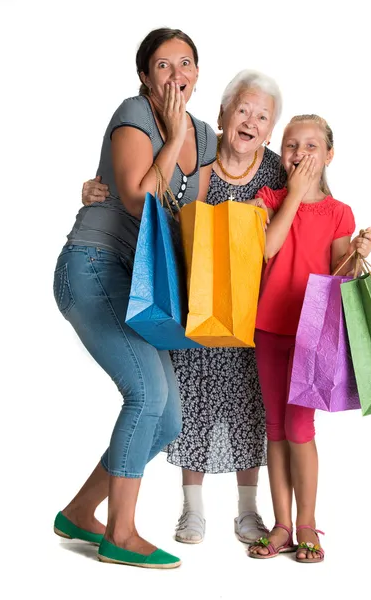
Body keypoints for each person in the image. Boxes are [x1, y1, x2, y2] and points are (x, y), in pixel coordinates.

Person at [82, 69, 285, 545]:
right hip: (191, 306)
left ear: (271, 129)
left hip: (250, 313)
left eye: (262, 116)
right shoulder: (199, 159)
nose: (250, 122)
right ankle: (191, 511)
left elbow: (314, 204)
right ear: (221, 115)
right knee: (188, 403)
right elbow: (147, 193)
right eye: (242, 110)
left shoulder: (277, 171)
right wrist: (95, 191)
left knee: (248, 409)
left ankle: (248, 511)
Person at [53, 27, 217, 569]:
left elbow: (202, 218)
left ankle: (80, 512)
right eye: (164, 65)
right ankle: (121, 533)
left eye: (186, 63)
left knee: (167, 420)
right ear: (146, 76)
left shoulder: (208, 138)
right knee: (146, 395)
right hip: (95, 267)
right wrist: (170, 136)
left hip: (147, 288)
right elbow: (135, 196)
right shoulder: (135, 113)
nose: (176, 75)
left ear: (198, 73)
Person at [248, 114, 371, 562]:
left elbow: (343, 269)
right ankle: (280, 524)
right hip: (267, 326)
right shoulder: (269, 198)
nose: (299, 154)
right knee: (276, 427)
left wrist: (358, 253)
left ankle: (307, 524)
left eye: (311, 146)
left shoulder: (340, 212)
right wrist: (294, 196)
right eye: (290, 145)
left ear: (329, 154)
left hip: (312, 334)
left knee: (301, 426)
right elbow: (266, 248)